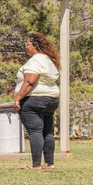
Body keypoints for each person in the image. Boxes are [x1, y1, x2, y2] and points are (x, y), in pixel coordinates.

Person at [14, 32, 60, 170]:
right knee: (47, 132)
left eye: (27, 44)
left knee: (35, 131)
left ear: (34, 45)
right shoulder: (48, 60)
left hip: (34, 100)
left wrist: (18, 98)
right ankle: (49, 163)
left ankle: (36, 164)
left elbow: (30, 81)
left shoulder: (35, 61)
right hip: (51, 99)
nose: (26, 47)